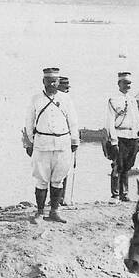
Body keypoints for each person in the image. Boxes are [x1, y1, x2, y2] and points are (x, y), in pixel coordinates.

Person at [27, 67, 77, 219]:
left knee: (58, 179)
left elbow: (73, 122)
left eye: (54, 81)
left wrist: (74, 141)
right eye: (48, 81)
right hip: (42, 144)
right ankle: (40, 212)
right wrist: (30, 143)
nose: (51, 84)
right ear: (43, 81)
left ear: (58, 82)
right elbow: (29, 123)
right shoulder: (36, 99)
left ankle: (55, 211)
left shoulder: (66, 99)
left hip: (62, 144)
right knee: (41, 179)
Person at [105, 70, 139, 203]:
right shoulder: (113, 100)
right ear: (119, 83)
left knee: (127, 166)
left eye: (129, 83)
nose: (128, 86)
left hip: (132, 136)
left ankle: (124, 194)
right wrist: (113, 141)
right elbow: (110, 122)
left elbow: (137, 119)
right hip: (120, 136)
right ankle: (115, 195)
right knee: (117, 165)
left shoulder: (133, 100)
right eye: (125, 83)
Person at [54, 75, 80, 210]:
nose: (66, 91)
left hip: (67, 140)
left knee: (65, 169)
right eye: (64, 88)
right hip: (54, 140)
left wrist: (75, 140)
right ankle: (55, 200)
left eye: (67, 88)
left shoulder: (68, 101)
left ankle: (61, 199)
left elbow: (73, 122)